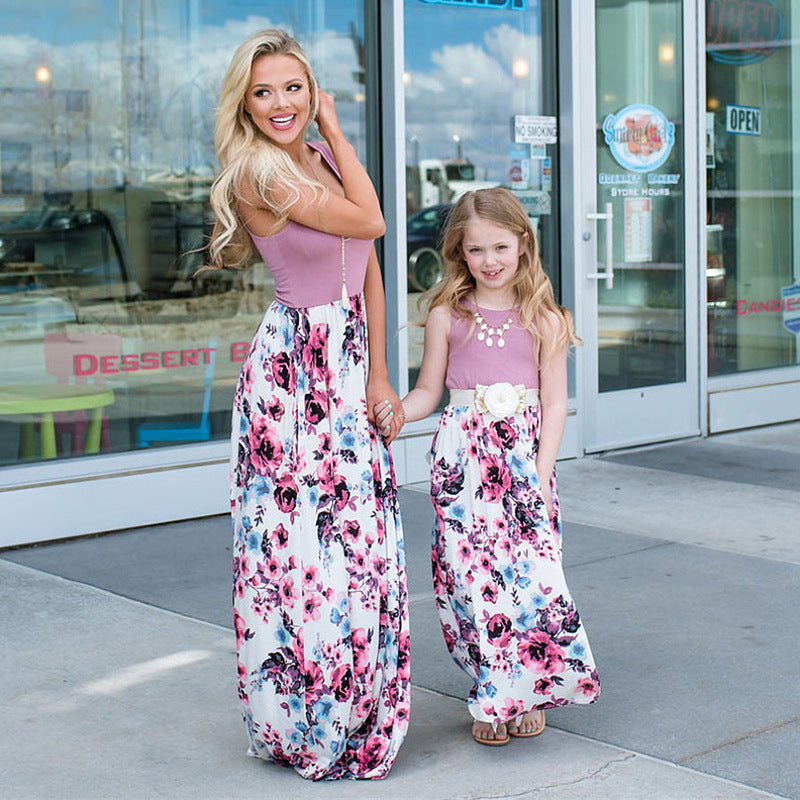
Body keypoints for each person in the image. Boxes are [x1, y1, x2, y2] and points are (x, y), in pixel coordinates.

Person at [207, 29, 409, 779]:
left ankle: (356, 703)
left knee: (358, 543)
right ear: (245, 105)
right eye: (263, 92)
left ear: (311, 86)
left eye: (293, 87)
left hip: (346, 366)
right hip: (293, 381)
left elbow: (371, 271)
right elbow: (374, 220)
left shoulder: (314, 162)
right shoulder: (261, 172)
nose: (279, 103)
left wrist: (382, 374)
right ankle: (304, 717)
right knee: (300, 550)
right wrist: (334, 126)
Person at [390, 188, 600, 746]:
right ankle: (493, 689)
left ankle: (527, 687)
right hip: (462, 464)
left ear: (523, 244)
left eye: (500, 247)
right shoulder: (446, 314)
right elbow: (428, 392)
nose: (489, 260)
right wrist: (391, 414)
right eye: (476, 249)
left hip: (524, 463)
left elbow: (555, 402)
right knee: (473, 581)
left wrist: (540, 471)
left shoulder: (546, 319)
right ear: (460, 252)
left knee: (532, 579)